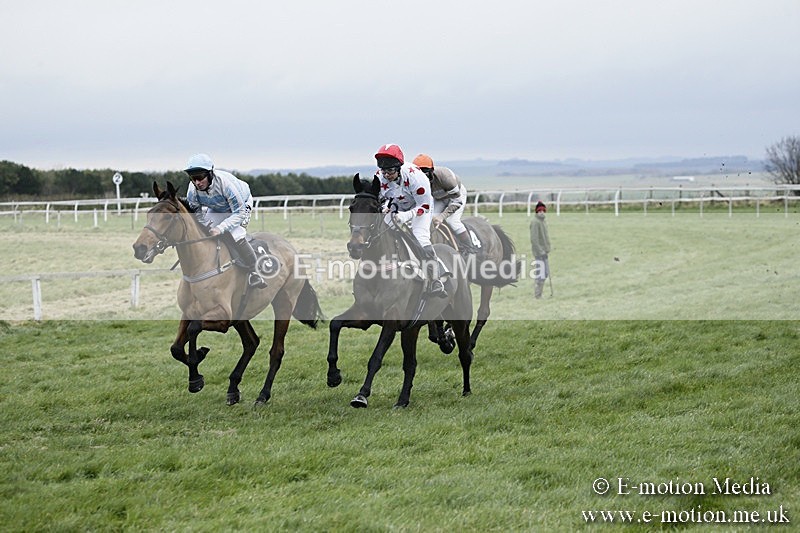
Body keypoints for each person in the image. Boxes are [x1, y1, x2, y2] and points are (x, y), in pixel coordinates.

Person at [374, 143, 448, 298]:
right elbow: (381, 199)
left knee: (421, 238)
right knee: (382, 232)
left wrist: (406, 216)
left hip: (420, 208)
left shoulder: (417, 178)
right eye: (384, 171)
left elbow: (425, 206)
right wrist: (386, 207)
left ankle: (436, 279)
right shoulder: (379, 177)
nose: (386, 175)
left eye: (390, 171)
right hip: (398, 206)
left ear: (399, 167)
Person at [184, 153, 267, 289]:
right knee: (205, 233)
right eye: (193, 178)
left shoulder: (226, 185)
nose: (197, 183)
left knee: (236, 234)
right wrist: (205, 227)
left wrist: (221, 228)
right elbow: (196, 214)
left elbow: (239, 213)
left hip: (240, 206)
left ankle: (254, 272)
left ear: (210, 174)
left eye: (200, 178)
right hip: (218, 208)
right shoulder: (192, 190)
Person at [411, 154, 477, 255]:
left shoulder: (446, 177)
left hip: (455, 195)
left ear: (432, 171)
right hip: (439, 198)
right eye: (419, 175)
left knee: (452, 221)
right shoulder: (415, 181)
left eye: (426, 175)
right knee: (430, 219)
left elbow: (457, 201)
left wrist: (442, 216)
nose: (423, 179)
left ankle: (470, 248)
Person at [529, 201, 551, 299]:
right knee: (540, 273)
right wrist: (540, 251)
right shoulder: (535, 222)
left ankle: (539, 294)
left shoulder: (543, 221)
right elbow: (534, 239)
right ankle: (537, 295)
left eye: (543, 210)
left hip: (544, 252)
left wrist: (547, 248)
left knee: (545, 273)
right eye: (539, 210)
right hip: (539, 253)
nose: (541, 212)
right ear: (537, 212)